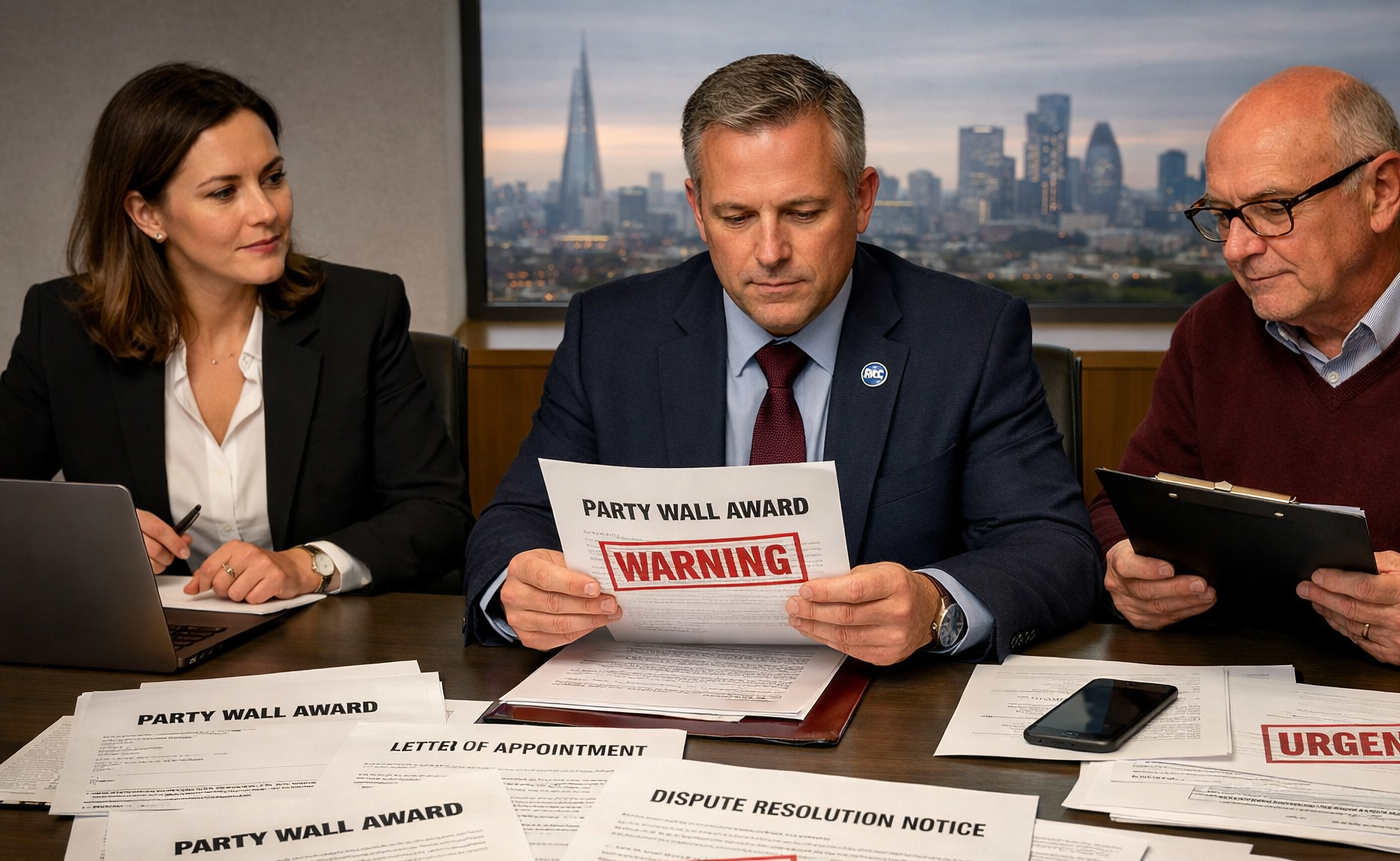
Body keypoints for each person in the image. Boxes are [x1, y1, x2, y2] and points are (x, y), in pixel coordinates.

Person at [465, 53, 1101, 665]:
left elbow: (1056, 548)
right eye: (736, 216)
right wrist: (519, 590)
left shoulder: (969, 335)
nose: (770, 251)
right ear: (696, 209)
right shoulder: (609, 333)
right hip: (661, 702)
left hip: (886, 718)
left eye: (803, 212)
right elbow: (515, 521)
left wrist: (935, 608)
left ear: (862, 198)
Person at [1090, 66, 1400, 665]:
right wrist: (1126, 563)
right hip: (1237, 688)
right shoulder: (1211, 331)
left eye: (1273, 208)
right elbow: (1122, 508)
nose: (1236, 248)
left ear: (1381, 190)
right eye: (1223, 215)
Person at [0, 63, 471, 601]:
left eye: (272, 177)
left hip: (329, 651)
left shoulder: (361, 312)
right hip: (151, 650)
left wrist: (308, 565)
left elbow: (440, 514)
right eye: (224, 192)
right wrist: (85, 537)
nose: (267, 211)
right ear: (146, 213)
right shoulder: (62, 327)